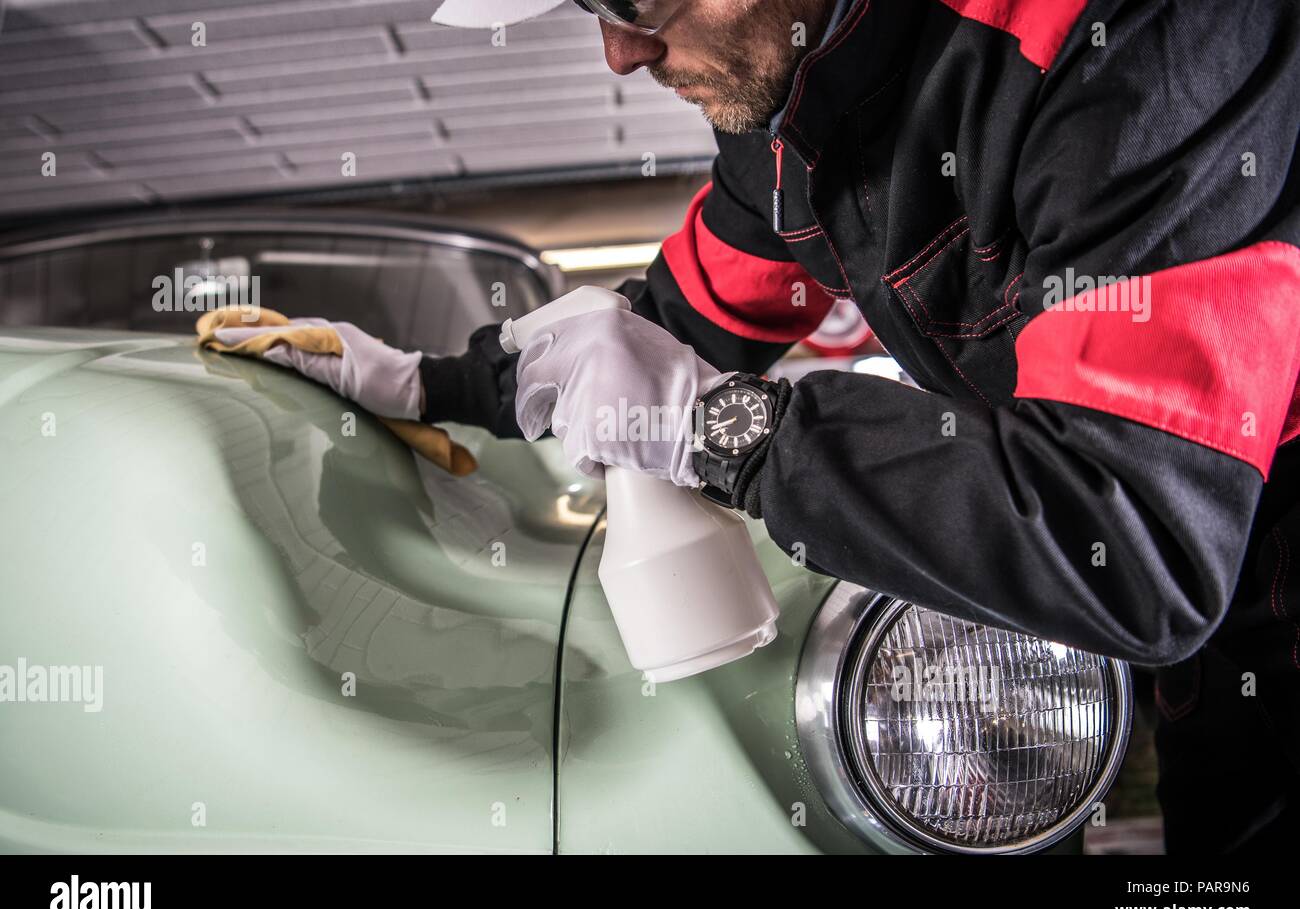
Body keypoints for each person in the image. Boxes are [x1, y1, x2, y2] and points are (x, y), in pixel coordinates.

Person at [234, 0, 1300, 853]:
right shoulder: (794, 117)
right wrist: (428, 384)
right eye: (589, 9)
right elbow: (659, 327)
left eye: (642, 1)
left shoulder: (1141, 44)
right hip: (1193, 598)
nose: (618, 52)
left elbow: (1136, 543)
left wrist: (726, 430)